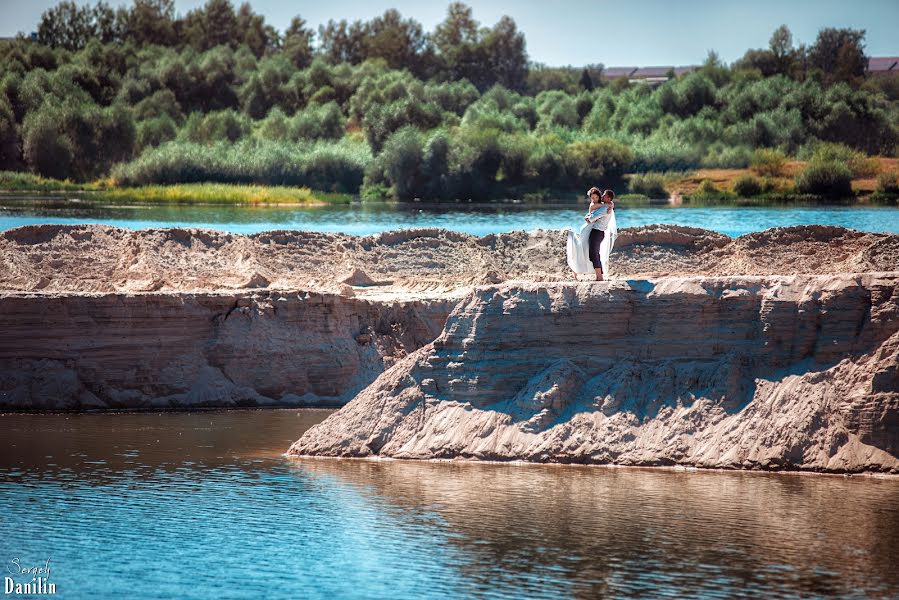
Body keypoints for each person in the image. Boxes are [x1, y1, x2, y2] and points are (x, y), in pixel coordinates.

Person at [566, 187, 618, 281]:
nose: (602, 196)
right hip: (596, 231)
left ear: (609, 198)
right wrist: (610, 205)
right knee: (591, 253)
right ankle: (596, 275)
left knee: (593, 254)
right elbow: (593, 213)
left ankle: (599, 277)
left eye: (604, 196)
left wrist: (588, 217)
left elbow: (590, 219)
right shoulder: (606, 206)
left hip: (597, 232)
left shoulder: (605, 208)